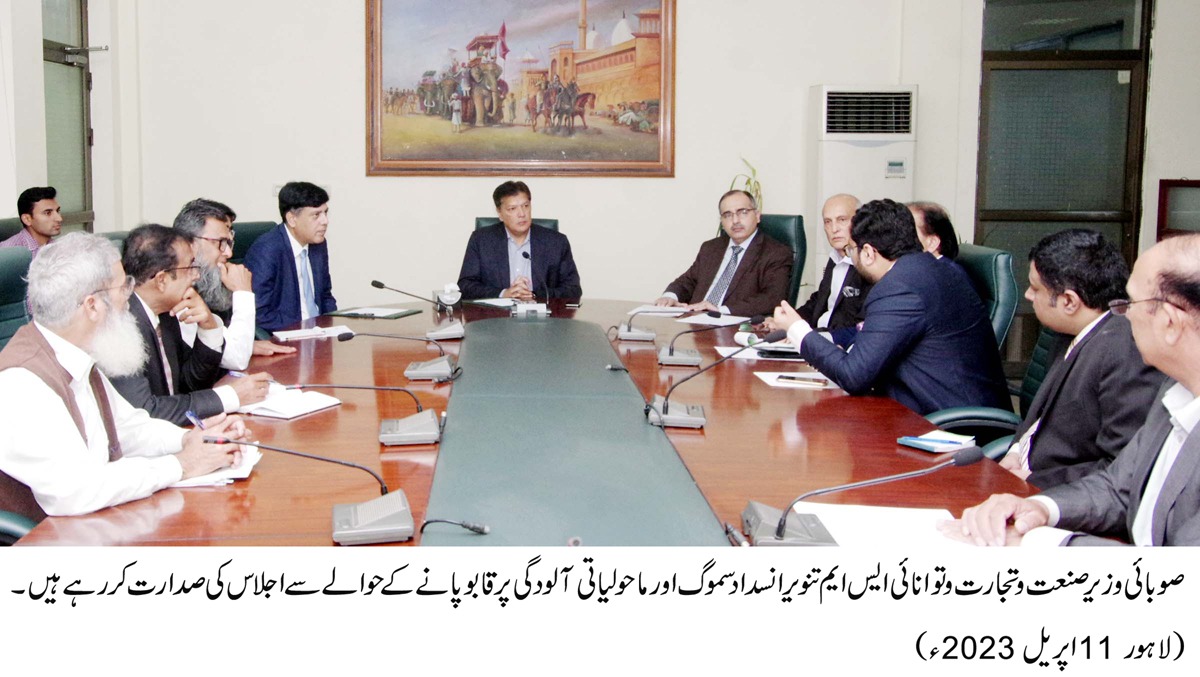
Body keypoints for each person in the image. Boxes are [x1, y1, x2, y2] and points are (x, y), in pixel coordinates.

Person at [950, 234, 1200, 547]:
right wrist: (1041, 509)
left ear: (1170, 323)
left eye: (1131, 303)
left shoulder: (1122, 353)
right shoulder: (1174, 391)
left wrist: (1038, 543)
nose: (1123, 314)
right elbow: (1118, 487)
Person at [0, 232, 249, 521]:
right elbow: (76, 490)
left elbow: (128, 429)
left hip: (96, 522)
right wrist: (181, 464)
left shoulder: (77, 355)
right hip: (50, 538)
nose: (129, 297)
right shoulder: (22, 382)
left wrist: (192, 439)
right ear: (92, 306)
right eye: (123, 287)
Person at [767, 198, 1009, 416]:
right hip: (926, 405)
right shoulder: (933, 269)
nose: (852, 258)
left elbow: (853, 376)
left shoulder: (899, 287)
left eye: (852, 250)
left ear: (868, 253)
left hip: (950, 423)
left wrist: (796, 329)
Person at [999, 229, 1164, 489]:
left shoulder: (1126, 354)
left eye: (1035, 288)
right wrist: (1014, 451)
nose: (1028, 295)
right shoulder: (1068, 331)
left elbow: (1120, 467)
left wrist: (1031, 480)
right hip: (1021, 476)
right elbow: (1039, 417)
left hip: (1058, 495)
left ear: (1069, 301)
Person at [109, 224, 273, 426]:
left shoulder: (166, 313)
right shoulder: (120, 328)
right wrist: (231, 396)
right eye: (190, 267)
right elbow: (147, 412)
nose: (197, 275)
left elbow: (189, 386)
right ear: (161, 280)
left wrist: (208, 328)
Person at [172, 198, 295, 368]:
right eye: (221, 243)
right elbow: (237, 359)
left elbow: (223, 347)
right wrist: (243, 292)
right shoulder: (177, 291)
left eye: (229, 243)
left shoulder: (205, 284)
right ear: (190, 244)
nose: (229, 253)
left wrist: (245, 345)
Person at [653, 189, 792, 317]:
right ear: (722, 221)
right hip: (694, 320)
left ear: (757, 216)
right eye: (727, 215)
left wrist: (720, 310)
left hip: (734, 325)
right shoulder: (711, 248)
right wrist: (669, 297)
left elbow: (772, 298)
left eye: (743, 212)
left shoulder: (776, 253)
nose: (735, 220)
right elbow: (688, 281)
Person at [457, 181, 582, 300]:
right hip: (496, 313)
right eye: (512, 208)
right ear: (500, 213)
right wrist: (503, 294)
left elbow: (573, 289)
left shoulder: (556, 242)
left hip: (541, 314)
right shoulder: (481, 241)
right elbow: (465, 286)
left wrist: (535, 295)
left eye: (525, 206)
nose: (522, 214)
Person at [244, 181, 337, 332]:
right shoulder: (267, 250)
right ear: (292, 219)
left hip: (319, 333)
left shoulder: (318, 245)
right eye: (316, 215)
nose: (325, 221)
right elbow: (260, 313)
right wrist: (303, 329)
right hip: (287, 334)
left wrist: (332, 324)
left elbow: (325, 296)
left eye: (325, 213)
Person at [795, 194, 872, 339]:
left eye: (842, 220)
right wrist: (790, 321)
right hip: (818, 337)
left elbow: (859, 325)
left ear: (860, 222)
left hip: (839, 342)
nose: (834, 229)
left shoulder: (868, 265)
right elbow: (820, 300)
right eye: (827, 222)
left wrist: (811, 336)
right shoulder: (835, 257)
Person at [1, 186, 63, 256]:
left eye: (58, 211)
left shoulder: (58, 247)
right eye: (48, 213)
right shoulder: (7, 252)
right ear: (27, 219)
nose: (59, 218)